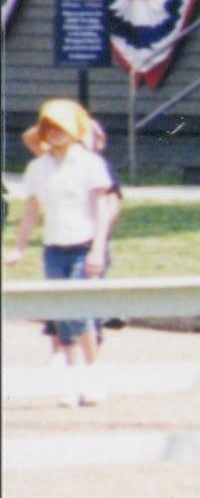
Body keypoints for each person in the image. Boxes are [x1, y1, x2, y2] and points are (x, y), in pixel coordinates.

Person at [10, 99, 122, 403]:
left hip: (83, 246)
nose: (55, 133)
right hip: (53, 249)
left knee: (80, 313)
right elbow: (32, 210)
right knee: (62, 314)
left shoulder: (91, 164)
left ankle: (93, 375)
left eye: (61, 127)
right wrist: (18, 248)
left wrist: (98, 249)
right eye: (50, 127)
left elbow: (103, 208)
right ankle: (73, 379)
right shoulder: (37, 167)